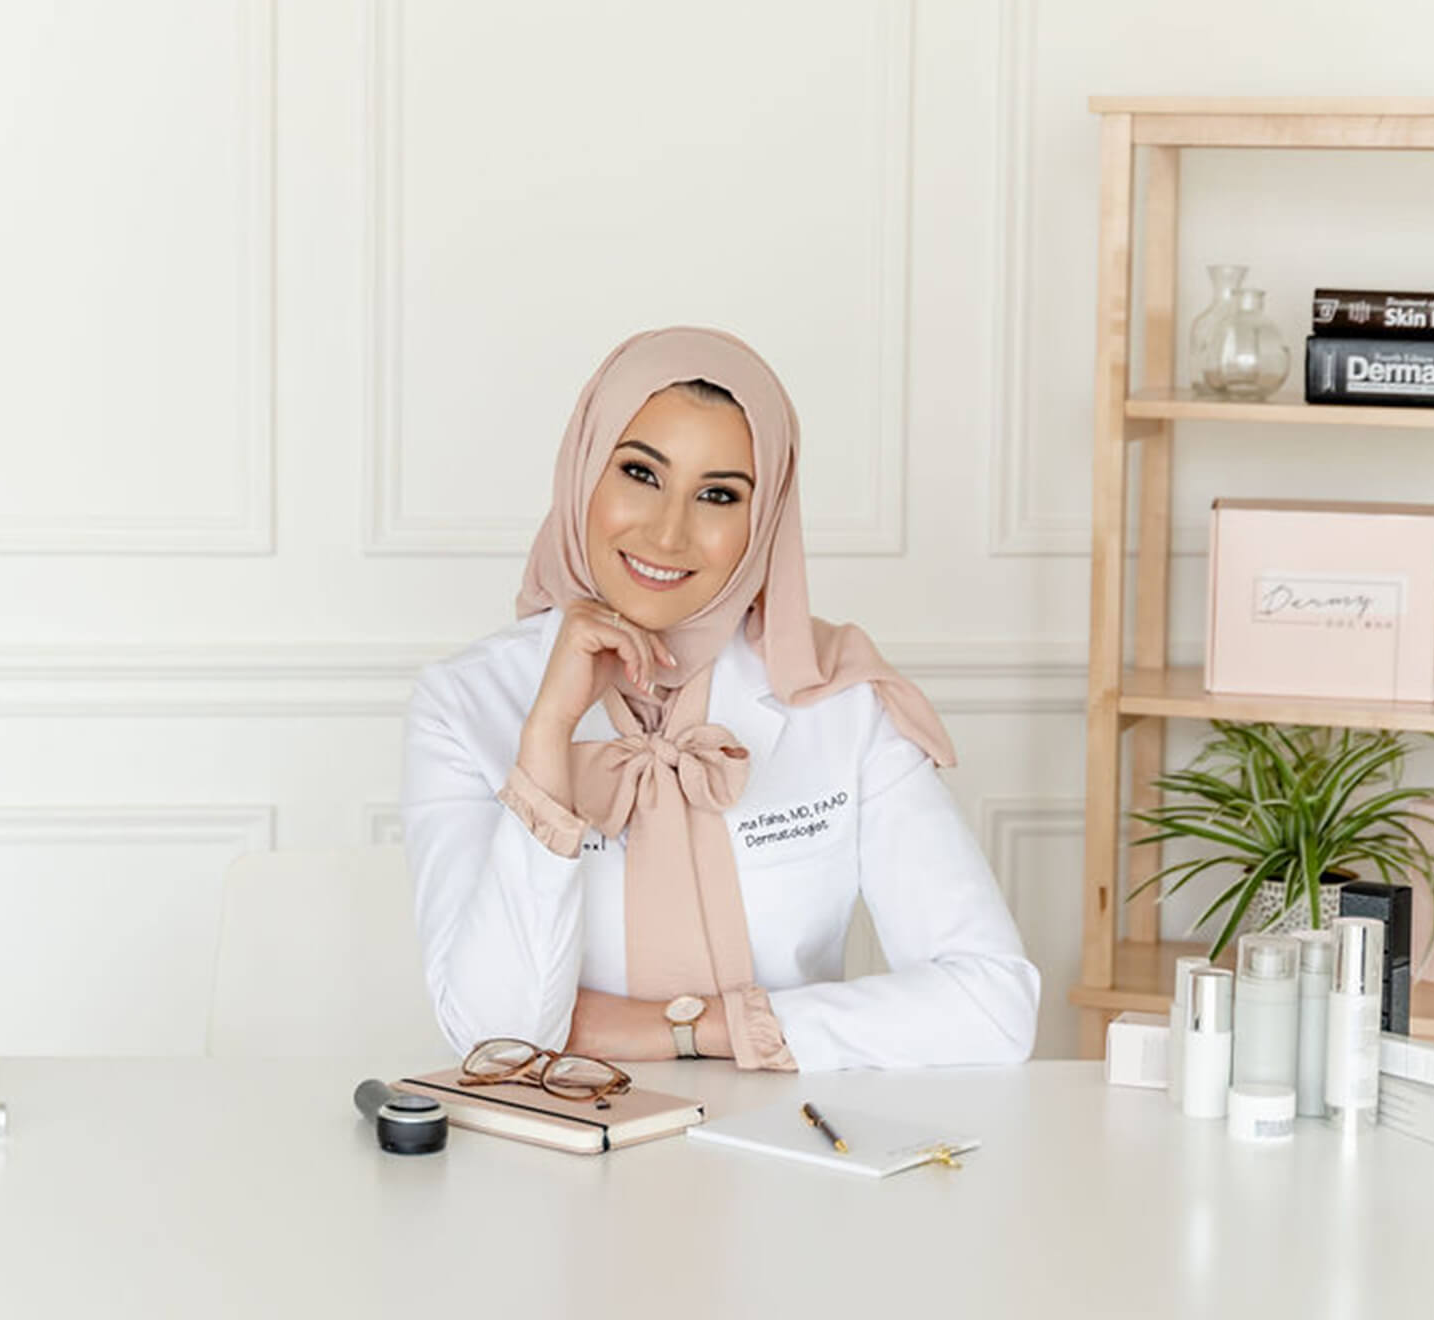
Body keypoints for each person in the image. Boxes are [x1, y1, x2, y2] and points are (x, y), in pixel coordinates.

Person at [400, 327, 1039, 1072]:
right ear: (583, 474)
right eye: (640, 474)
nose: (669, 533)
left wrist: (698, 1028)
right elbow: (494, 1040)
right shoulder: (466, 704)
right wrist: (548, 737)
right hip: (553, 1156)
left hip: (783, 1145)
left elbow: (994, 1009)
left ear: (763, 522)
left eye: (718, 495)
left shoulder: (838, 698)